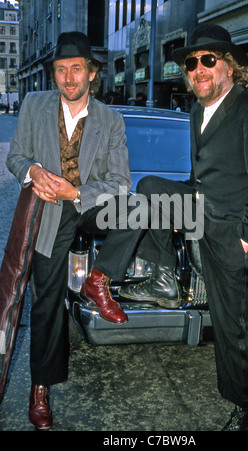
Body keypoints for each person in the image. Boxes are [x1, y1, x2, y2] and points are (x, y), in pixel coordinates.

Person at [117, 24, 248, 430]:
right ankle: (162, 277)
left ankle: (246, 412)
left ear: (229, 66)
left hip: (234, 239)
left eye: (208, 60)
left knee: (234, 330)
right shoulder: (197, 113)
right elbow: (204, 179)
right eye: (191, 63)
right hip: (203, 220)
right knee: (151, 188)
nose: (198, 69)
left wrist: (245, 240)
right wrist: (179, 212)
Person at [6, 31, 137, 430]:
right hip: (50, 211)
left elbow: (119, 182)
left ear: (92, 74)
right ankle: (40, 387)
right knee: (45, 300)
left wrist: (76, 190)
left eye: (76, 69)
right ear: (54, 75)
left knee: (141, 205)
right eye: (61, 70)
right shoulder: (34, 105)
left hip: (89, 203)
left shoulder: (111, 120)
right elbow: (15, 157)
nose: (68, 78)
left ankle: (99, 280)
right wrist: (31, 172)